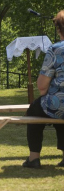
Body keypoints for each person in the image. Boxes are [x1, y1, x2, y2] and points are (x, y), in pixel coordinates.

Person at [22, 10, 64, 169]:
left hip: (58, 102)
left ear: (59, 29)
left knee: (35, 109)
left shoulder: (56, 49)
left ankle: (33, 158)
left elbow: (41, 85)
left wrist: (46, 92)